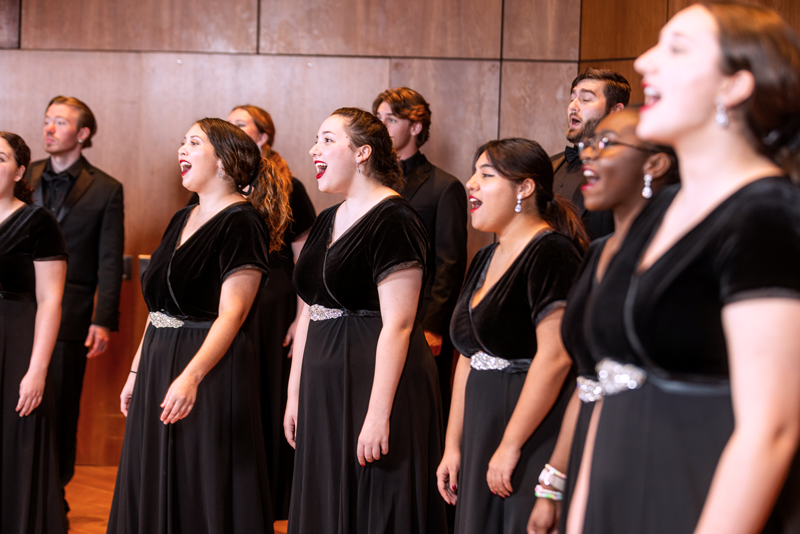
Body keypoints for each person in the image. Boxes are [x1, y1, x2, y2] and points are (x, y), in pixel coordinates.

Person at [568, 4, 800, 533]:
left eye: (676, 48)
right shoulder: (657, 213)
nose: (646, 61)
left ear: (735, 86)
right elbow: (612, 379)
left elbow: (772, 428)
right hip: (613, 488)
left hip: (695, 495)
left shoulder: (765, 213)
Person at [107, 118, 291, 534]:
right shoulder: (183, 216)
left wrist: (191, 377)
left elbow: (233, 315)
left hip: (208, 369)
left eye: (193, 142)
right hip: (159, 361)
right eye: (182, 142)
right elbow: (159, 308)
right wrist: (137, 370)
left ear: (224, 162)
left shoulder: (243, 222)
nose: (181, 150)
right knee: (155, 478)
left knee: (201, 481)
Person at [285, 107, 447, 533]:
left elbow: (399, 324)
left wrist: (378, 414)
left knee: (375, 499)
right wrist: (294, 393)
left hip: (375, 383)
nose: (313, 149)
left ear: (362, 153)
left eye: (326, 140)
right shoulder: (326, 219)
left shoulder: (395, 218)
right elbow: (309, 309)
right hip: (323, 385)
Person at [525, 107, 678, 534]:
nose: (587, 154)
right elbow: (588, 381)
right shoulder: (597, 251)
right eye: (588, 144)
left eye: (605, 145)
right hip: (594, 446)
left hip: (655, 449)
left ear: (655, 163)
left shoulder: (679, 251)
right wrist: (552, 484)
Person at [436, 138, 586, 534]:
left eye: (485, 175)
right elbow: (467, 356)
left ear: (525, 187)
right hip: (480, 424)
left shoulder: (551, 252)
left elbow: (555, 357)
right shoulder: (485, 256)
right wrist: (453, 445)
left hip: (528, 426)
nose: (471, 184)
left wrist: (510, 444)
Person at [25, 96, 124, 507]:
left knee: (62, 407)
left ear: (83, 134)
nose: (49, 128)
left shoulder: (106, 188)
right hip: (16, 308)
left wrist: (102, 319)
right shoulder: (21, 175)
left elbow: (109, 258)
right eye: (47, 120)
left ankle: (55, 496)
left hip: (72, 316)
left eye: (60, 122)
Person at [227, 104, 317, 518]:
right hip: (230, 300)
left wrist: (303, 318)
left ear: (263, 136)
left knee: (269, 392)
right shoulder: (222, 181)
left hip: (275, 302)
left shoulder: (290, 186)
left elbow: (306, 263)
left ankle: (273, 496)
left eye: (240, 123)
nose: (232, 128)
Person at [373, 88, 468, 427]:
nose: (381, 126)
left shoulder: (445, 186)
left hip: (420, 318)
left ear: (415, 127)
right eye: (379, 118)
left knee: (418, 409)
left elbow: (451, 262)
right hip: (374, 315)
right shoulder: (369, 182)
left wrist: (433, 326)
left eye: (391, 119)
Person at [0, 132, 68, 533]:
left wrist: (37, 369)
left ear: (20, 170)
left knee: (14, 439)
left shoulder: (37, 220)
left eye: (1, 157)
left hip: (15, 341)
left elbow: (50, 300)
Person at [551, 69, 630, 240]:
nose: (573, 106)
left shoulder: (627, 173)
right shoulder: (550, 164)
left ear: (615, 110)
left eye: (585, 99)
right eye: (572, 99)